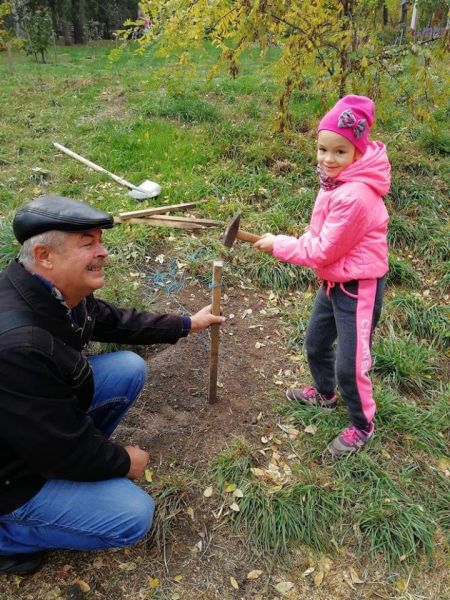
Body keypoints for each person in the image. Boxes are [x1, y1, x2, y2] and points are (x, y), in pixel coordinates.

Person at [0, 195, 225, 575]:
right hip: (11, 477)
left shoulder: (46, 290)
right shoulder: (19, 346)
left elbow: (108, 319)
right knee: (133, 516)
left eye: (100, 241)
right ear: (45, 255)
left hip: (35, 430)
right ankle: (9, 534)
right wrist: (122, 462)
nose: (103, 251)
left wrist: (186, 324)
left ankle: (80, 473)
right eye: (88, 243)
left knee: (127, 368)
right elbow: (56, 450)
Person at [254, 95, 391, 457]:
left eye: (340, 152)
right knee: (316, 342)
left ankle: (363, 425)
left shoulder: (356, 196)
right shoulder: (335, 181)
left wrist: (279, 244)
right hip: (335, 281)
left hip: (358, 288)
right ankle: (325, 394)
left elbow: (322, 249)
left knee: (351, 363)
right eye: (322, 149)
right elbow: (322, 242)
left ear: (357, 153)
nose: (328, 159)